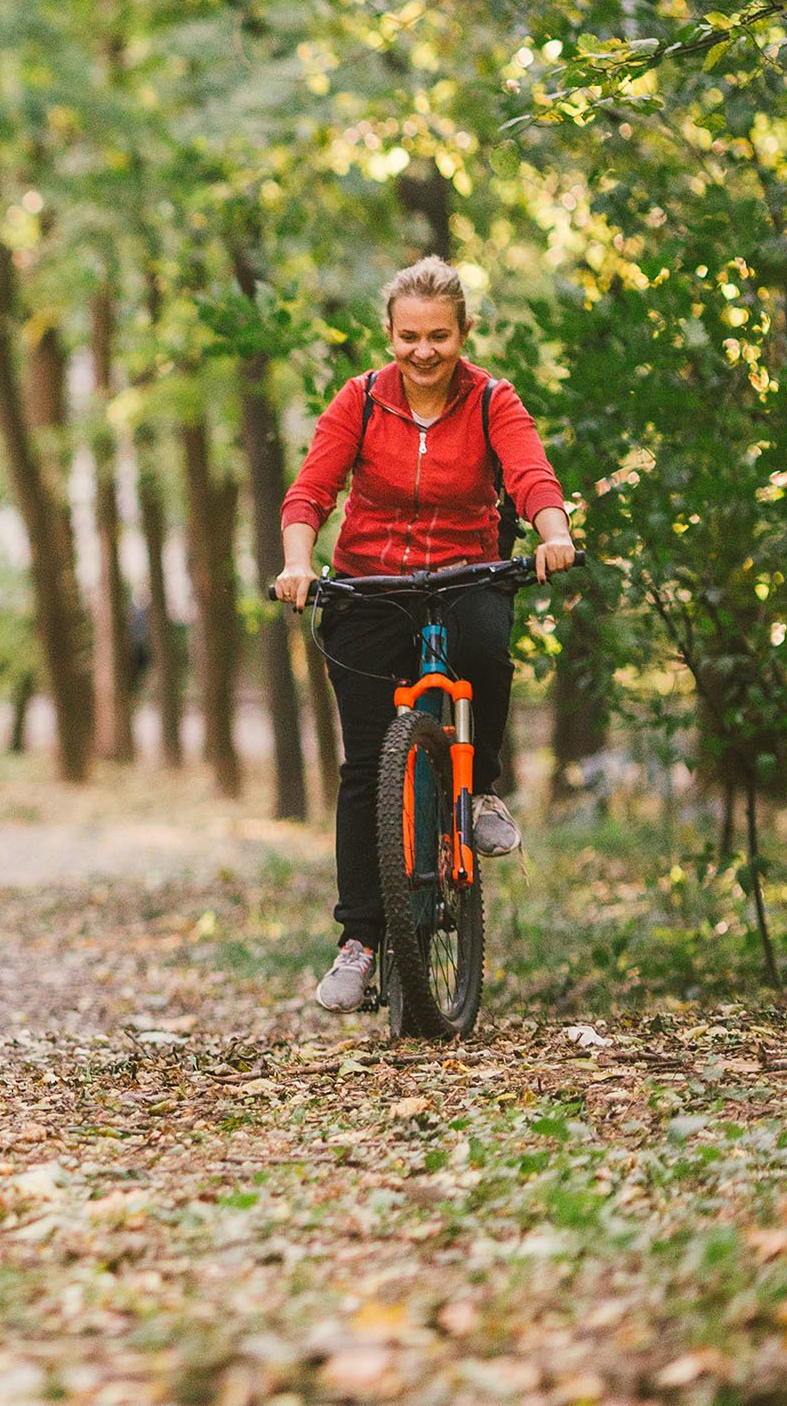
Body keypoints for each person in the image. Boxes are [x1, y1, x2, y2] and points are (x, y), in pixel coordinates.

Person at [275, 256, 579, 1014]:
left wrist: (554, 531)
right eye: (409, 336)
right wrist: (296, 564)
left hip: (465, 573)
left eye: (438, 335)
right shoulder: (361, 400)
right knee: (366, 765)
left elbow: (531, 475)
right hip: (370, 583)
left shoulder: (490, 401)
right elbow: (312, 490)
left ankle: (479, 791)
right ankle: (361, 941)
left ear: (463, 332)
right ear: (389, 334)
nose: (423, 351)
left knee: (483, 648)